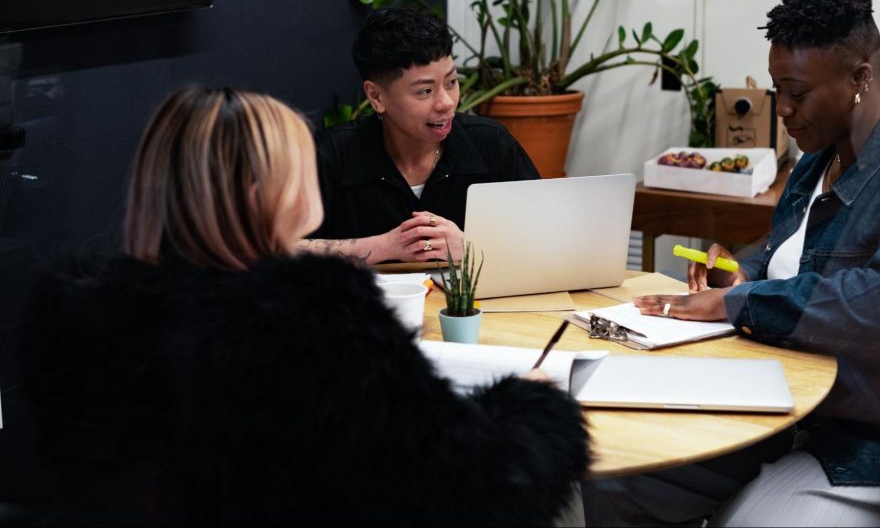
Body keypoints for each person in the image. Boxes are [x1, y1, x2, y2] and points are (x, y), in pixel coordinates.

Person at [23, 86, 590, 526]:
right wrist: (533, 407)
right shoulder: (314, 323)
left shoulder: (80, 318)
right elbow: (471, 491)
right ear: (265, 194)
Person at [586, 0, 880, 527]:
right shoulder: (816, 162)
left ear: (861, 79)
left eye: (798, 92)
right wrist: (742, 271)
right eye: (776, 88)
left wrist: (744, 303)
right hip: (802, 409)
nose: (781, 109)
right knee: (619, 481)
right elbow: (789, 254)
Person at [304, 8, 539, 263]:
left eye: (451, 82)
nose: (447, 103)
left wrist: (470, 248)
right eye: (425, 91)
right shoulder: (333, 154)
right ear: (376, 96)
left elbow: (548, 237)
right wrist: (384, 246)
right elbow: (273, 249)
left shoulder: (491, 144)